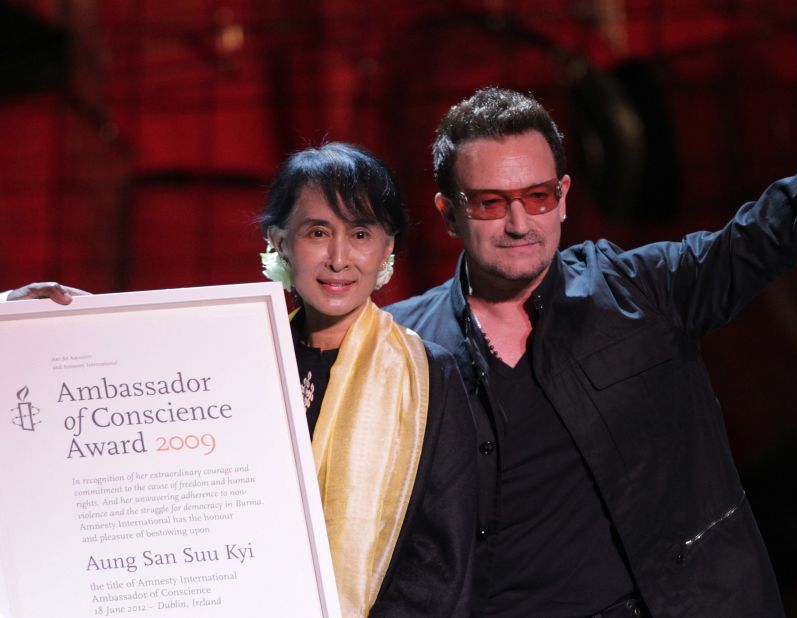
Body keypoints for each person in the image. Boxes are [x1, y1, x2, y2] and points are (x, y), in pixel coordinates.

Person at [384, 14, 797, 617]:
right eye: (492, 203)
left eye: (537, 197)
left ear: (563, 198)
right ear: (447, 213)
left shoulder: (639, 291)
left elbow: (770, 231)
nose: (519, 223)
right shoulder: (399, 349)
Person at [5, 143, 476, 618]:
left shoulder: (426, 375)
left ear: (387, 245)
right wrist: (52, 324)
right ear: (279, 241)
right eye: (317, 232)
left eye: (360, 233)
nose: (339, 258)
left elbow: (440, 559)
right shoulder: (235, 360)